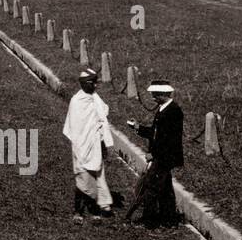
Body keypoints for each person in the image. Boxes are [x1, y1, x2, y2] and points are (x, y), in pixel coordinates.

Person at [125, 81, 185, 227]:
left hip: (164, 157)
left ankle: (149, 222)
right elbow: (155, 133)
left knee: (151, 189)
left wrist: (154, 154)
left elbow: (168, 140)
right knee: (165, 190)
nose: (152, 97)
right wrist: (138, 128)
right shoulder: (163, 109)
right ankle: (169, 220)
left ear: (164, 95)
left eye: (155, 94)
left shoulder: (173, 112)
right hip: (163, 156)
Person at [62, 68, 114, 222]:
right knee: (83, 176)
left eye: (96, 82)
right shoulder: (76, 101)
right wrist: (80, 144)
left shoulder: (95, 98)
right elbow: (74, 127)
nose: (96, 86)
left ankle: (95, 210)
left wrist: (105, 142)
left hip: (95, 145)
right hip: (81, 146)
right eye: (93, 83)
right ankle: (78, 211)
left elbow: (103, 116)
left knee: (96, 175)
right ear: (84, 84)